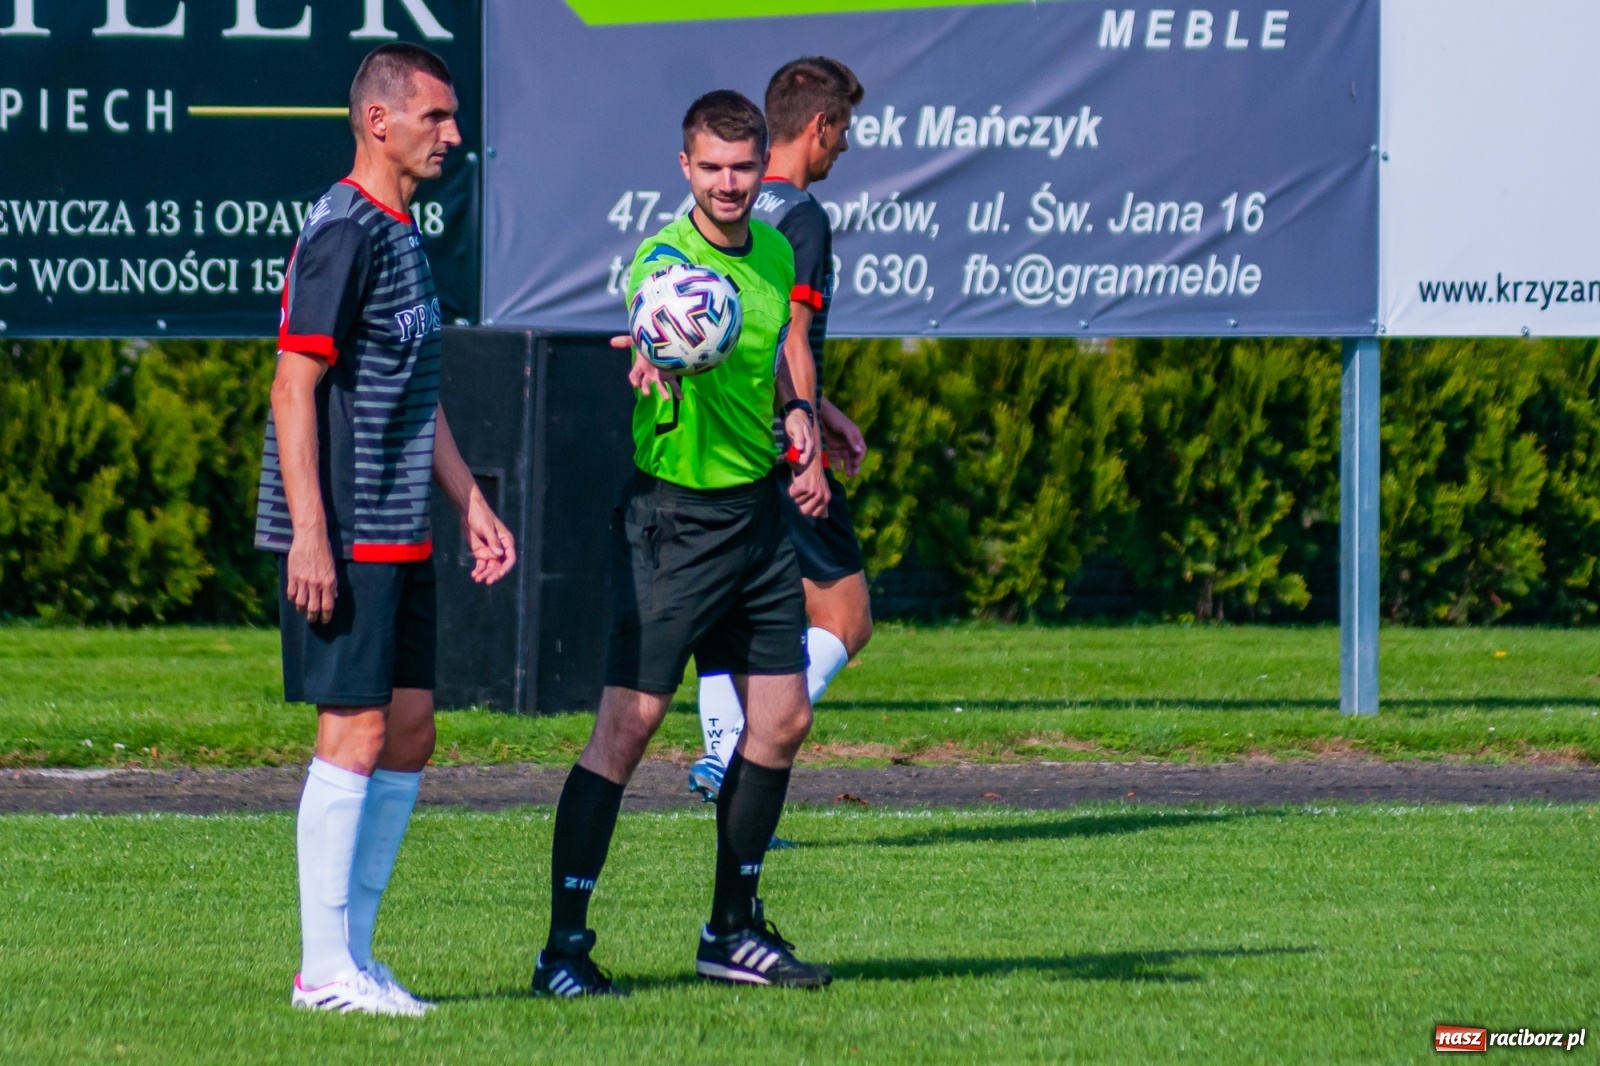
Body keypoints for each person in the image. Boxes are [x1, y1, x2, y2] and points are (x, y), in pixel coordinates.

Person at [530, 89, 831, 998]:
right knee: (628, 729)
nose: (730, 184)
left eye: (743, 168)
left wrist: (803, 415)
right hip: (673, 521)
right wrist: (649, 357)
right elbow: (654, 318)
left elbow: (774, 350)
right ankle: (563, 953)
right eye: (712, 168)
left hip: (758, 520)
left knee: (782, 720)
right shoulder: (670, 260)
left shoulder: (775, 250)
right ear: (685, 168)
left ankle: (731, 933)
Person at [256, 42, 516, 1017]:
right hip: (347, 528)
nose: (452, 135)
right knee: (356, 728)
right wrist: (310, 535)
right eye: (436, 118)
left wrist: (469, 500)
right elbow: (293, 385)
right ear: (379, 121)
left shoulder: (404, 232)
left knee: (408, 730)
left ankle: (356, 960)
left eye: (452, 119)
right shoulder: (342, 231)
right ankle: (322, 971)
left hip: (401, 524)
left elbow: (418, 395)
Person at [690, 57, 873, 804]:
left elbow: (751, 333)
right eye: (844, 132)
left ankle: (721, 745)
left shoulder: (737, 209)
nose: (845, 149)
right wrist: (808, 442)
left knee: (733, 608)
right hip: (775, 440)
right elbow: (789, 331)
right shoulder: (799, 214)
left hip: (729, 434)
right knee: (846, 615)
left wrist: (821, 405)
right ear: (820, 126)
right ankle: (742, 747)